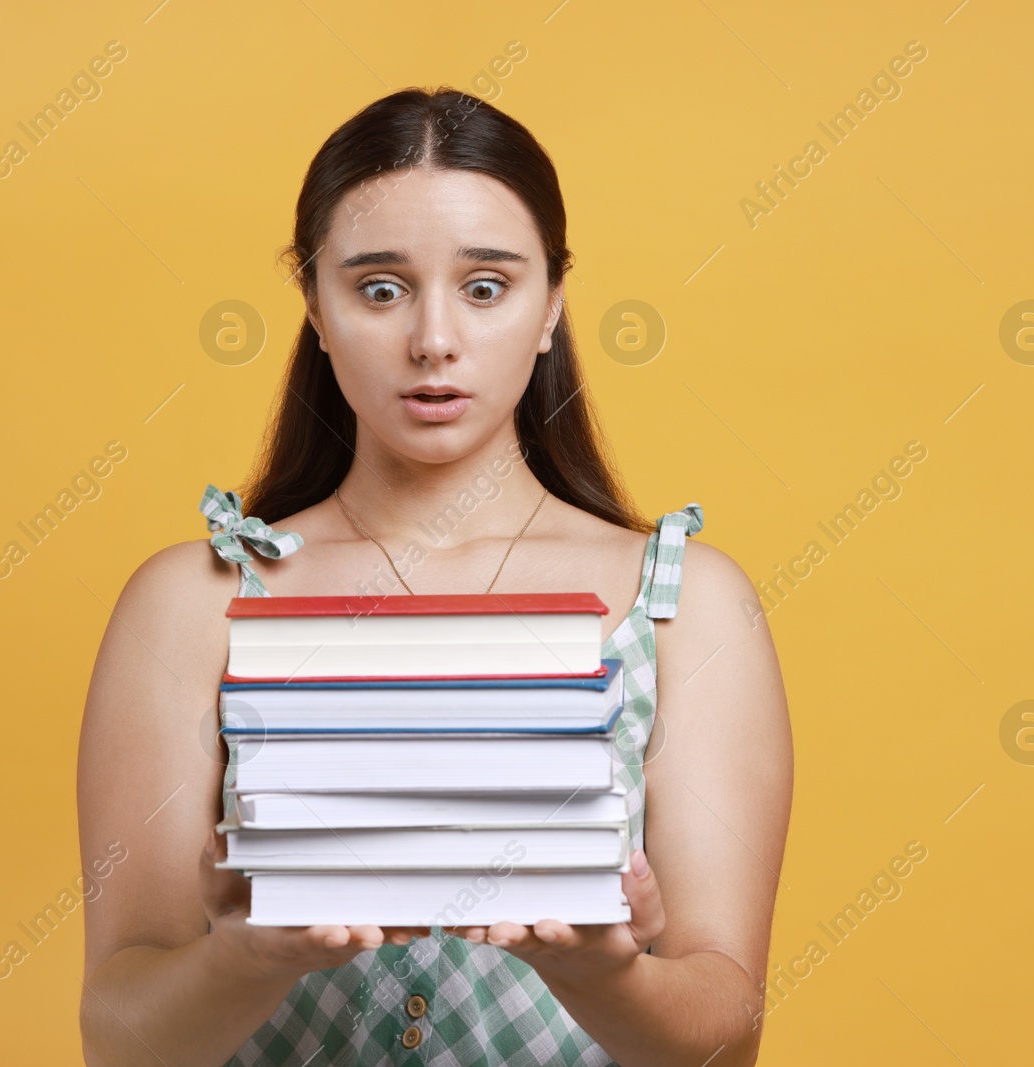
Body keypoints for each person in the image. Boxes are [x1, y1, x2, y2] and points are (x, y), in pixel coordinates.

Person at [76, 86, 792, 1067]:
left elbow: (723, 1036)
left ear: (552, 306)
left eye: (486, 285)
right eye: (379, 288)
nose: (433, 340)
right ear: (315, 308)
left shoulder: (683, 603)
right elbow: (119, 1039)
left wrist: (605, 970)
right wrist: (244, 957)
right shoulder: (192, 600)